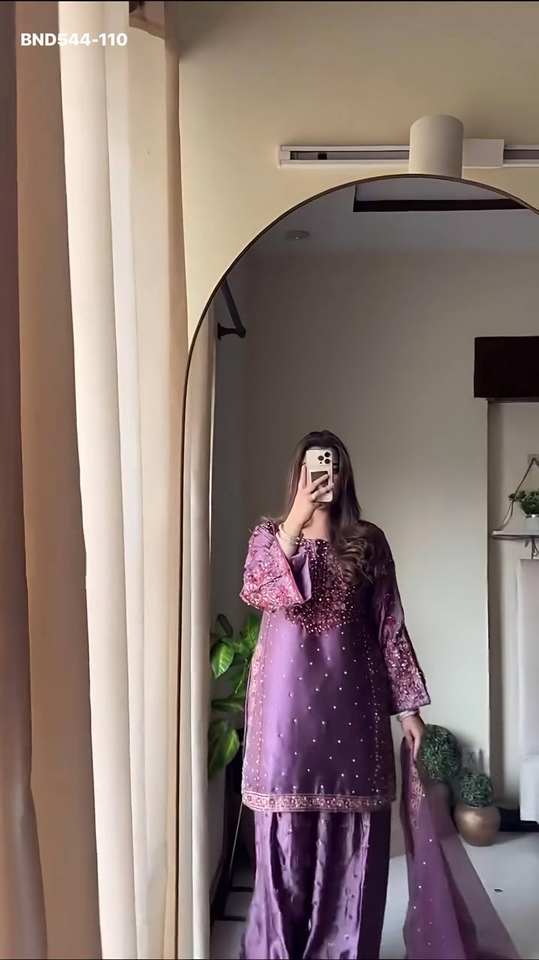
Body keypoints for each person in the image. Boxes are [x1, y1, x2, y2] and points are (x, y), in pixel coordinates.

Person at [238, 430, 430, 960]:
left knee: (354, 838)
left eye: (332, 465)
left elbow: (389, 624)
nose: (323, 475)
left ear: (345, 475)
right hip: (284, 716)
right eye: (313, 466)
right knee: (285, 837)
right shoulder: (269, 537)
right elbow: (257, 590)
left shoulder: (368, 540)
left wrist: (408, 709)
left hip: (353, 710)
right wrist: (294, 523)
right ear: (298, 474)